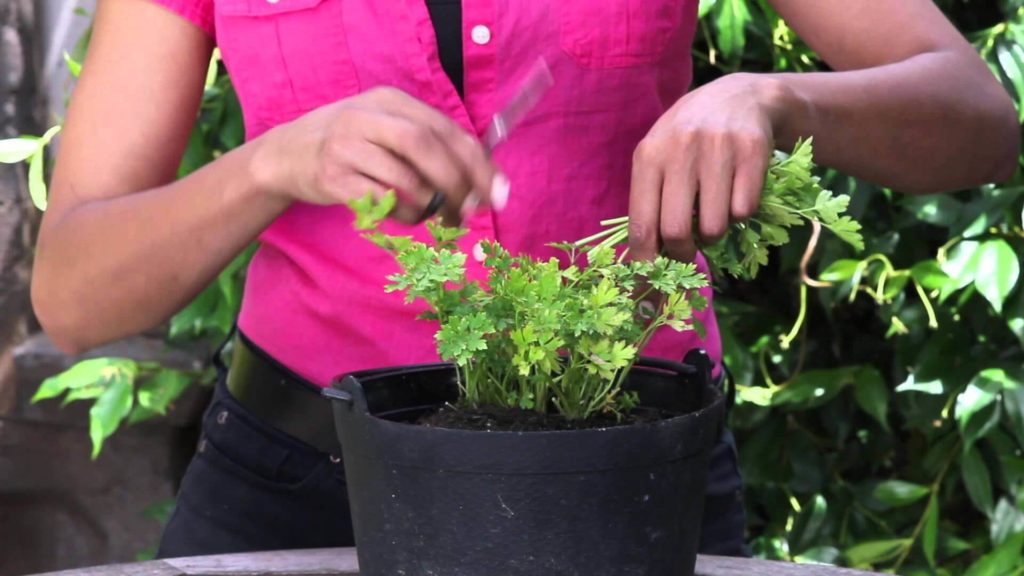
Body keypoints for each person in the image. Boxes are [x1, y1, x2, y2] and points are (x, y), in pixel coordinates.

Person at [31, 0, 1017, 560]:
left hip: (623, 485)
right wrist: (267, 166)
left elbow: (977, 120)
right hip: (302, 482)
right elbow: (76, 294)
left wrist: (773, 97)